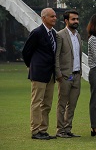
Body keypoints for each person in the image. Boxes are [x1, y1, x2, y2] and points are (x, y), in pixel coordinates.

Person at [23, 8, 58, 140]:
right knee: (37, 102)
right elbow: (26, 52)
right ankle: (35, 130)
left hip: (50, 74)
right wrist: (32, 66)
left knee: (47, 103)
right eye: (51, 16)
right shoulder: (37, 33)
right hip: (39, 73)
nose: (54, 18)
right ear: (43, 18)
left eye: (55, 16)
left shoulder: (54, 34)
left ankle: (43, 129)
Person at [54, 10, 82, 138]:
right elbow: (57, 56)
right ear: (66, 21)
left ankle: (68, 129)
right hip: (65, 75)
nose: (76, 21)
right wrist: (58, 73)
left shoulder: (78, 36)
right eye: (73, 19)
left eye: (77, 19)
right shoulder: (60, 35)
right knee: (62, 104)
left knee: (73, 104)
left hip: (76, 75)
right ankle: (60, 131)